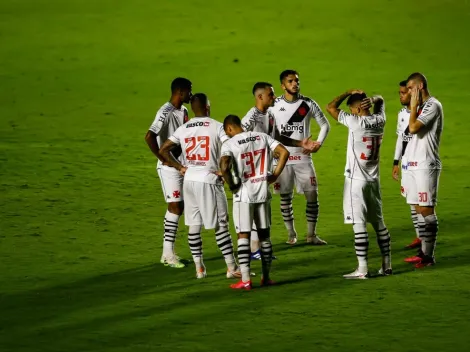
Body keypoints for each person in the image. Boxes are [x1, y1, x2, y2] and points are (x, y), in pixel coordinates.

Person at [159, 93, 240, 279]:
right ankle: (231, 267)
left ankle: (199, 269)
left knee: (194, 226)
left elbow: (163, 149)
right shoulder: (217, 126)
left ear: (194, 109)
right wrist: (223, 171)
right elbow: (231, 147)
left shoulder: (183, 128)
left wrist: (179, 167)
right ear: (208, 106)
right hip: (209, 180)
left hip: (189, 180)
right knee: (221, 225)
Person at [241, 82, 316, 258]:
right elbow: (237, 137)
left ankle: (257, 248)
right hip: (253, 170)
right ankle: (253, 249)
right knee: (255, 207)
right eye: (271, 95)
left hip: (264, 168)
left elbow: (277, 137)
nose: (275, 98)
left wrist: (299, 143)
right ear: (260, 97)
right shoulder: (251, 117)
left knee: (262, 208)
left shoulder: (271, 114)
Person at [326, 89, 392, 279]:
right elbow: (381, 101)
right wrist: (373, 99)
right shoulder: (380, 119)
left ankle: (362, 269)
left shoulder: (355, 122)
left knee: (359, 223)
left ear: (354, 110)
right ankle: (387, 265)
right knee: (379, 222)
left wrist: (346, 92)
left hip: (356, 181)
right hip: (374, 181)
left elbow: (330, 107)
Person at [220, 114, 290, 290]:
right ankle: (266, 277)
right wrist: (274, 175)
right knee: (264, 236)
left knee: (243, 235)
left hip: (243, 194)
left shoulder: (229, 144)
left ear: (229, 129)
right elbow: (284, 152)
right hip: (263, 192)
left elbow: (224, 165)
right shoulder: (262, 137)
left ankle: (245, 280)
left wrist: (232, 184)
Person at [270, 70, 330, 245]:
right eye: (290, 81)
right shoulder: (274, 105)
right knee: (285, 197)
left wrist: (318, 143)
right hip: (283, 158)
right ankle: (291, 234)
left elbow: (325, 125)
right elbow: (268, 130)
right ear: (283, 86)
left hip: (303, 157)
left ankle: (311, 235)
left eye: (296, 80)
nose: (295, 84)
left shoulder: (308, 103)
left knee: (312, 195)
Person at [144, 77, 192, 268]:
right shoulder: (166, 111)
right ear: (180, 92)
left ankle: (169, 253)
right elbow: (149, 136)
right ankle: (167, 255)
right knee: (175, 207)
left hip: (181, 165)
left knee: (179, 207)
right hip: (169, 167)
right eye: (189, 90)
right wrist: (162, 158)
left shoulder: (184, 110)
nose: (191, 94)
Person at [403, 73, 443, 268]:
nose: (408, 92)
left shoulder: (432, 105)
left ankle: (428, 256)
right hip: (414, 164)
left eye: (410, 88)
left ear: (419, 87)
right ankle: (423, 252)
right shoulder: (420, 107)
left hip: (426, 164)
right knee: (419, 208)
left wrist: (412, 108)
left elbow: (413, 128)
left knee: (427, 210)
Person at [392, 80, 420, 249]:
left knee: (422, 203)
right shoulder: (401, 114)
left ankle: (426, 240)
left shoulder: (423, 112)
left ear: (412, 93)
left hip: (420, 164)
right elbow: (401, 139)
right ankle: (419, 236)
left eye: (403, 93)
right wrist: (396, 162)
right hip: (406, 164)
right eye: (400, 93)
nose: (400, 96)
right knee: (411, 201)